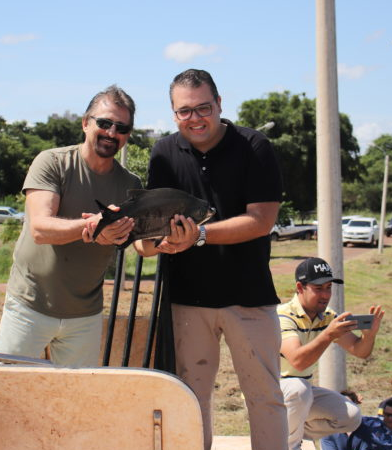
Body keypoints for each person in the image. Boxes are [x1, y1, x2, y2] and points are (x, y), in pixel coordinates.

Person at [134, 69, 286, 450]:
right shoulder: (163, 152)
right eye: (184, 111)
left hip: (249, 297)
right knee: (189, 400)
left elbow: (261, 220)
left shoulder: (255, 146)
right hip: (187, 299)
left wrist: (197, 236)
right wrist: (160, 243)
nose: (195, 118)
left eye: (203, 107)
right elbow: (154, 225)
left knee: (265, 398)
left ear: (219, 103)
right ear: (173, 114)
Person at [0, 85, 141, 367]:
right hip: (29, 305)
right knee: (7, 392)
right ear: (86, 123)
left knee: (74, 403)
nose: (112, 133)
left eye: (121, 127)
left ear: (128, 135)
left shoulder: (131, 185)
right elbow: (40, 229)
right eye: (105, 123)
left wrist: (177, 237)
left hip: (85, 315)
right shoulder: (52, 162)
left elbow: (136, 240)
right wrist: (96, 226)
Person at [279, 257, 384, 450]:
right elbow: (298, 361)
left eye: (329, 287)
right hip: (271, 393)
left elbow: (360, 351)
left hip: (300, 395)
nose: (326, 295)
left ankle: (284, 433)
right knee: (298, 389)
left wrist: (368, 336)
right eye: (318, 288)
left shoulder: (327, 316)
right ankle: (289, 445)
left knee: (351, 416)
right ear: (300, 287)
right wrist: (328, 334)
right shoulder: (283, 315)